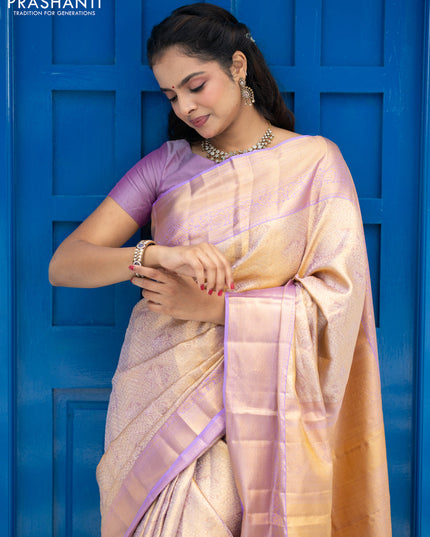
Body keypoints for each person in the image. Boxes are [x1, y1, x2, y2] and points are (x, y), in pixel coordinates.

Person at [49, 3, 392, 536]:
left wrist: (213, 309)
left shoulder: (316, 163)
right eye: (171, 96)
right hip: (159, 397)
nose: (185, 106)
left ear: (237, 66)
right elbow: (66, 264)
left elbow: (338, 301)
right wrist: (154, 253)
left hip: (264, 403)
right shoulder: (165, 166)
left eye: (196, 85)